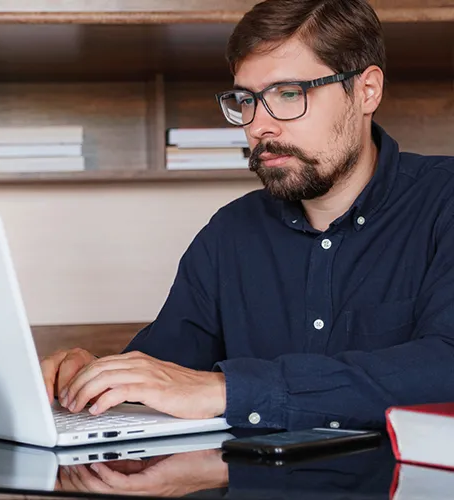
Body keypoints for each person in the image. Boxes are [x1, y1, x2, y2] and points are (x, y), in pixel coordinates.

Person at [40, 0, 454, 431]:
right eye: (247, 100)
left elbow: (445, 368)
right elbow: (164, 371)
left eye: (290, 93)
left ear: (367, 90)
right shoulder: (229, 234)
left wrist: (227, 389)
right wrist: (96, 376)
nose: (259, 126)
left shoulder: (445, 200)